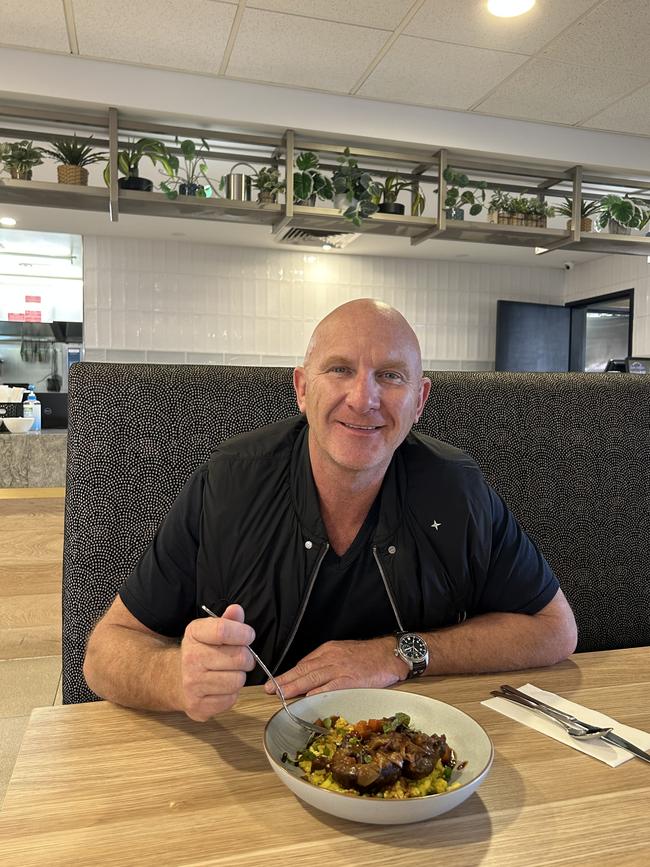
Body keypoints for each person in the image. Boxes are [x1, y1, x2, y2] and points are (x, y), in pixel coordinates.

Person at [83, 298, 577, 721]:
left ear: (420, 400)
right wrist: (174, 676)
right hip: (246, 754)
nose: (364, 399)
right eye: (340, 369)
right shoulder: (228, 483)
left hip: (411, 753)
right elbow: (105, 651)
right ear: (301, 387)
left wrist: (397, 654)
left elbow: (555, 629)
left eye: (391, 376)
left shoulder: (457, 490)